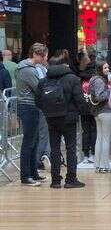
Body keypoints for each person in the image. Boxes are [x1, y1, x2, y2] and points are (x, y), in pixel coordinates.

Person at [35, 54, 89, 189]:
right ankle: (71, 179)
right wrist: (83, 112)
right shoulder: (72, 79)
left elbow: (38, 101)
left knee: (54, 149)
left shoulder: (44, 81)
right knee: (70, 148)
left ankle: (55, 181)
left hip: (51, 118)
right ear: (64, 65)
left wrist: (48, 111)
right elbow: (79, 100)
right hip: (69, 119)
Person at [16, 42, 48, 186]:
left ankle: (33, 173)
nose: (43, 59)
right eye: (41, 55)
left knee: (33, 142)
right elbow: (39, 88)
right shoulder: (27, 70)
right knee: (28, 142)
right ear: (35, 54)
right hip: (28, 107)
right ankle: (26, 176)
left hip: (31, 106)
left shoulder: (31, 68)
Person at [90, 61, 111, 173]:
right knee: (105, 139)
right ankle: (104, 165)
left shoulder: (93, 79)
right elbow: (100, 96)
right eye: (105, 68)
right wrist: (110, 90)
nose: (108, 69)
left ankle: (98, 165)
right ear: (100, 69)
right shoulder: (100, 81)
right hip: (105, 111)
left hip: (97, 112)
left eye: (108, 67)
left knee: (100, 138)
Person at [78, 48, 97, 164]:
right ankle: (94, 153)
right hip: (95, 105)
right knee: (94, 130)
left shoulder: (81, 76)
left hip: (83, 106)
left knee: (85, 131)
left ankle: (85, 154)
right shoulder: (96, 75)